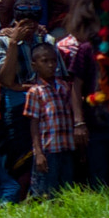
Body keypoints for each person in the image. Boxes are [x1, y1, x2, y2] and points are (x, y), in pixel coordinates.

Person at [23, 41, 80, 198]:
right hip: (49, 150)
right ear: (34, 65)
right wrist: (38, 153)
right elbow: (33, 124)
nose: (50, 65)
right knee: (45, 192)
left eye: (53, 61)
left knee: (66, 191)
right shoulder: (35, 92)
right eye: (45, 61)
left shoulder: (64, 87)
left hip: (66, 146)